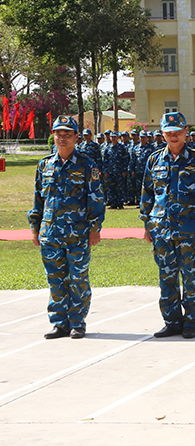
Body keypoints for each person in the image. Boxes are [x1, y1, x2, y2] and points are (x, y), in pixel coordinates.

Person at [140, 112, 195, 339]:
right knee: (167, 277)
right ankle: (172, 321)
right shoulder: (154, 160)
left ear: (186, 133)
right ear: (162, 134)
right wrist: (147, 224)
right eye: (169, 133)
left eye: (178, 132)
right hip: (161, 229)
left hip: (190, 229)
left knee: (191, 277)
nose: (173, 137)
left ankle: (192, 321)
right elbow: (148, 193)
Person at [29, 115, 104, 339]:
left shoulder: (87, 165)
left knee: (78, 278)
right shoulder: (44, 165)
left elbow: (96, 199)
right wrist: (35, 227)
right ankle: (60, 323)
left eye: (67, 134)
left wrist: (95, 228)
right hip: (50, 233)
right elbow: (38, 199)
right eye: (58, 134)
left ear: (76, 138)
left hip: (78, 233)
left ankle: (77, 322)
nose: (62, 138)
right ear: (53, 136)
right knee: (55, 279)